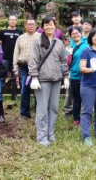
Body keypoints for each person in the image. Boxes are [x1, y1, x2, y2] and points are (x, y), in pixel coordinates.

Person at [28, 16, 68, 147]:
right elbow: (33, 60)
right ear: (42, 27)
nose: (49, 27)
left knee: (54, 108)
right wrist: (34, 77)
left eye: (51, 24)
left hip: (56, 80)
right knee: (42, 109)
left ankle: (51, 134)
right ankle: (42, 136)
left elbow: (63, 60)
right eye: (46, 24)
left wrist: (66, 76)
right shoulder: (37, 41)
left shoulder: (59, 43)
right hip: (42, 80)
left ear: (55, 26)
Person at [12, 18, 40, 120]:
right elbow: (16, 54)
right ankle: (24, 113)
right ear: (25, 26)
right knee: (24, 90)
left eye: (33, 24)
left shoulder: (41, 37)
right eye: (29, 24)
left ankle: (39, 113)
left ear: (36, 25)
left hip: (37, 68)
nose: (31, 26)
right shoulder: (20, 38)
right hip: (23, 67)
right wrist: (15, 69)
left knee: (38, 90)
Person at [63, 11, 83, 120]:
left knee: (84, 95)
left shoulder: (85, 39)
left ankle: (83, 114)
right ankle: (70, 113)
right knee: (71, 93)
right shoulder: (69, 42)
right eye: (73, 17)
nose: (75, 35)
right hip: (72, 71)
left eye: (77, 16)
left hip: (84, 72)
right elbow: (65, 60)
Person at [0, 15, 23, 100]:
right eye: (11, 20)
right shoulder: (2, 31)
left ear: (16, 21)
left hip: (16, 58)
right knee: (2, 76)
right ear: (8, 21)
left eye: (14, 20)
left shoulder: (20, 32)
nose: (12, 21)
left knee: (14, 77)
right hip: (5, 58)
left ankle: (14, 95)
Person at [68, 26, 88, 125]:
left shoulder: (87, 44)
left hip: (86, 76)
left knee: (87, 98)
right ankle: (76, 119)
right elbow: (67, 63)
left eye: (77, 33)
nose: (75, 35)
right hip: (75, 76)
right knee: (77, 99)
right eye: (73, 34)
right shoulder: (69, 47)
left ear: (81, 33)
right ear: (70, 36)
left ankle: (86, 118)